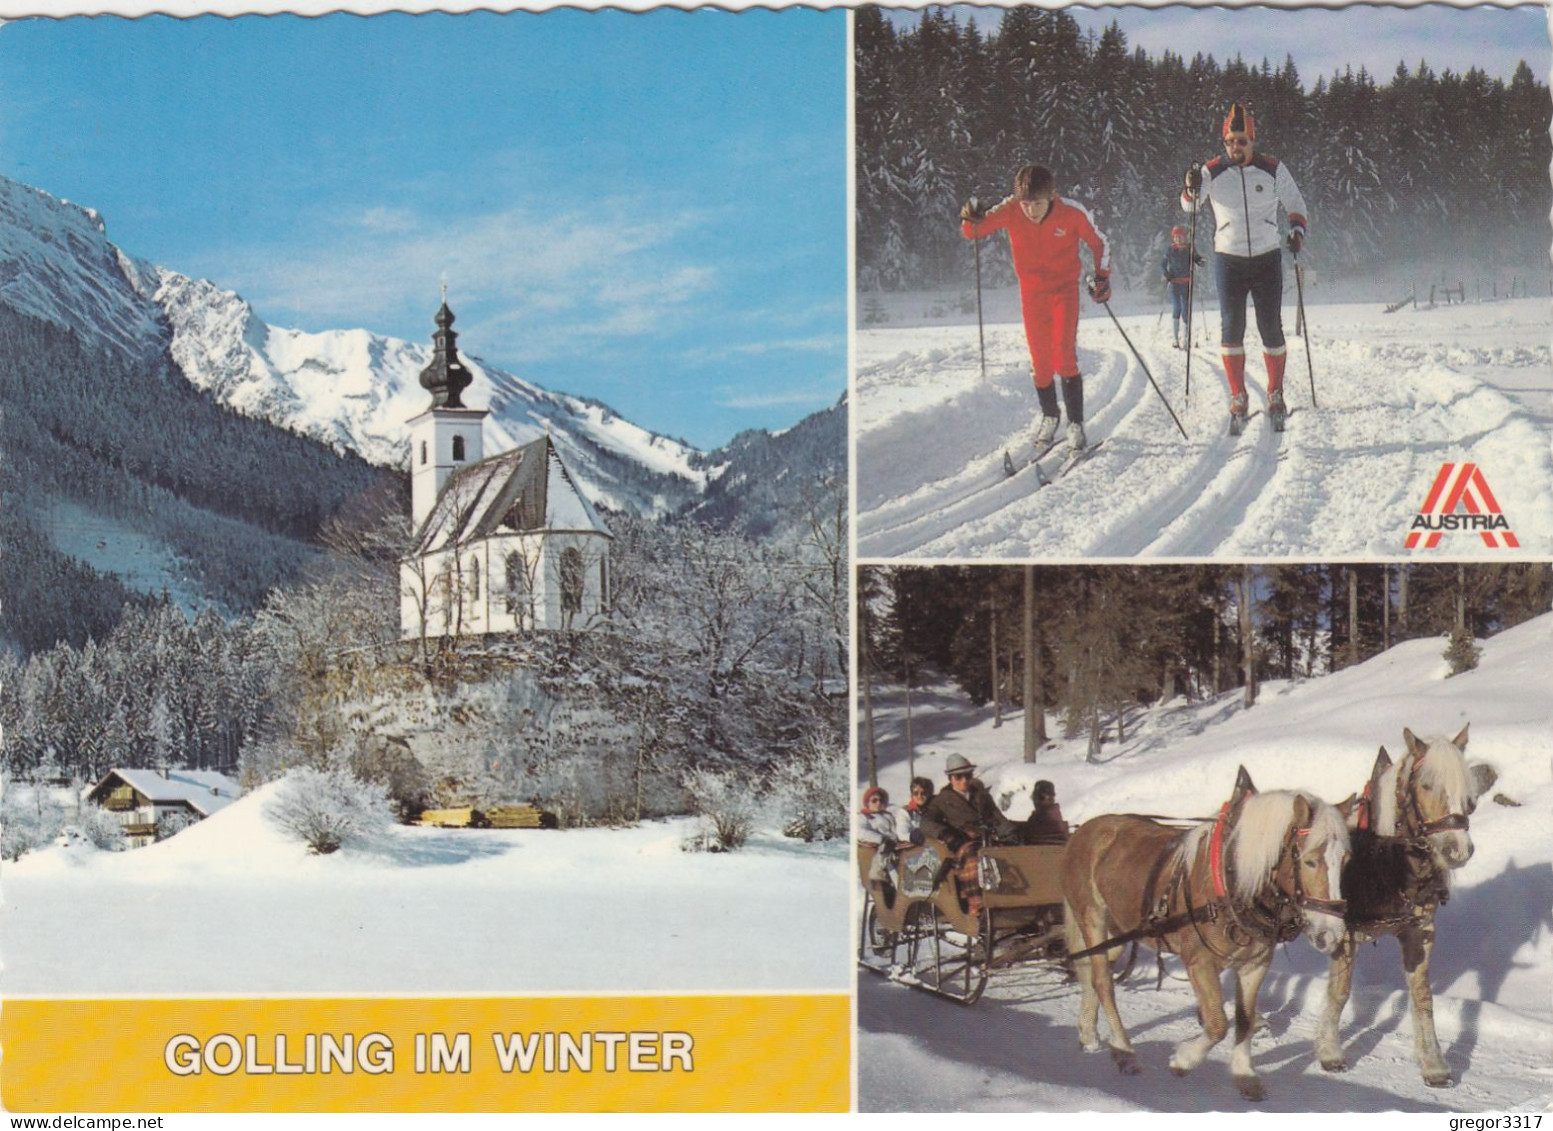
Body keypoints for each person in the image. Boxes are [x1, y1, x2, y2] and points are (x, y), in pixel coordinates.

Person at [961, 164, 1113, 454]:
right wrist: (970, 214)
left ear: (1052, 196)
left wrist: (1102, 277)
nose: (1030, 211)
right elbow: (973, 231)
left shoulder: (1071, 213)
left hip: (1064, 292)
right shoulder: (1010, 210)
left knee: (1064, 354)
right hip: (1031, 296)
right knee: (1040, 360)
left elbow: (1099, 243)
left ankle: (1076, 424)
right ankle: (1050, 416)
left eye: (1038, 204)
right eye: (1026, 204)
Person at [1181, 102, 1309, 431]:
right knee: (1231, 328)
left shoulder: (1272, 168)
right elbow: (1189, 206)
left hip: (1267, 257)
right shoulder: (1212, 171)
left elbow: (1296, 204)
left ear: (1253, 140)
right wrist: (1190, 185)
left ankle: (1275, 391)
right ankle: (1238, 396)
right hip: (1229, 260)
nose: (1235, 147)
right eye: (1230, 141)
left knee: (1271, 328)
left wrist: (1296, 232)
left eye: (1242, 141)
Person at [922, 754, 1020, 917]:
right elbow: (926, 823)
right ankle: (977, 906)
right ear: (950, 778)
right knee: (975, 858)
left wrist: (1010, 833)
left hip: (988, 839)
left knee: (1013, 855)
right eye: (958, 777)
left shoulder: (982, 796)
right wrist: (946, 834)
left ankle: (1014, 900)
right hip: (962, 843)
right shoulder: (941, 800)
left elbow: (998, 818)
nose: (963, 781)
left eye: (967, 776)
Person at [1160, 226, 1203, 349]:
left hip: (1187, 283)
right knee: (1176, 308)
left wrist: (1200, 261)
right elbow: (1162, 265)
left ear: (1185, 237)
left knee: (1185, 309)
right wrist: (1166, 274)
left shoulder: (1189, 248)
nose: (1178, 239)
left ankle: (1185, 338)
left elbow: (1197, 258)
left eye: (1181, 237)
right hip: (1174, 283)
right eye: (1176, 237)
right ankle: (1175, 339)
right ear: (1173, 238)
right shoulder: (1170, 250)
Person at [1020, 779, 1068, 844]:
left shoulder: (1048, 816)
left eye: (1040, 798)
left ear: (1051, 799)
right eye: (1034, 797)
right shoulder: (1039, 815)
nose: (1036, 801)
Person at [902, 776, 934, 845]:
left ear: (929, 794)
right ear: (912, 795)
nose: (919, 796)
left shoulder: (936, 809)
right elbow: (902, 833)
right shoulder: (906, 812)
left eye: (923, 793)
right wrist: (912, 836)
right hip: (914, 848)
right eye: (916, 793)